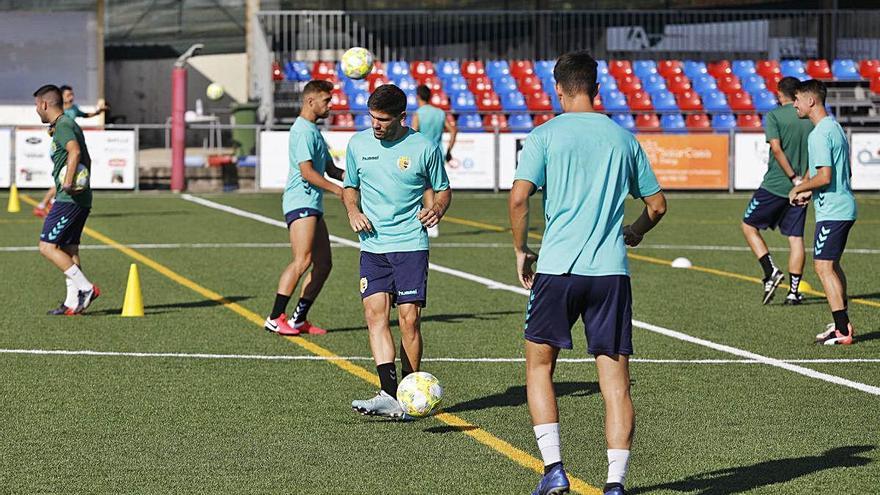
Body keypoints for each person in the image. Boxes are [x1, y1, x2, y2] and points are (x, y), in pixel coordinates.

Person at [508, 51, 666, 495]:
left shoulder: (545, 135)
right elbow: (657, 206)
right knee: (615, 383)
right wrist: (633, 231)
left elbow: (519, 199)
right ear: (597, 88)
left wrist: (522, 249)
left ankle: (554, 469)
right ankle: (614, 484)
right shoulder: (623, 139)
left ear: (558, 88)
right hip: (611, 272)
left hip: (557, 268)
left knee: (540, 368)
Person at [343, 84, 451, 419]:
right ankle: (388, 394)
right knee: (375, 316)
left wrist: (437, 209)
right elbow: (350, 187)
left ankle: (409, 393)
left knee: (409, 321)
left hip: (410, 246)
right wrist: (353, 211)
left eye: (383, 120)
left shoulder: (423, 147)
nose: (375, 125)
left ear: (402, 117)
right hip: (373, 246)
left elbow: (443, 190)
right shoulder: (358, 144)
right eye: (372, 117)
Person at [263, 80, 345, 336]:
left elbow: (331, 170)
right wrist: (338, 190)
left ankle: (299, 319)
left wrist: (358, 176)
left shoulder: (314, 131)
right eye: (326, 100)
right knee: (302, 260)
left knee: (324, 264)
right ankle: (275, 317)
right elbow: (307, 172)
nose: (330, 105)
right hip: (300, 201)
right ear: (311, 101)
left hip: (312, 203)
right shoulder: (302, 131)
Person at [789, 79, 857, 346]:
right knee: (833, 265)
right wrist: (810, 191)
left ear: (811, 101)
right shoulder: (834, 127)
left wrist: (799, 189)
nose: (794, 104)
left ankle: (842, 331)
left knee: (823, 266)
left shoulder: (818, 133)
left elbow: (825, 176)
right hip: (843, 205)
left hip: (833, 210)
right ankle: (843, 324)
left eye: (797, 99)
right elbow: (840, 173)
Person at [741, 76, 814, 305]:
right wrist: (804, 182)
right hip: (803, 187)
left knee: (748, 225)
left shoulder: (774, 116)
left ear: (780, 93)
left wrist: (792, 178)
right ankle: (793, 292)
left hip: (776, 184)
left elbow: (776, 148)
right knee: (796, 239)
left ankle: (770, 270)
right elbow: (818, 153)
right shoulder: (810, 117)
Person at [33, 84, 100, 315]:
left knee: (47, 247)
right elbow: (87, 159)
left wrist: (70, 183)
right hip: (78, 199)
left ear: (44, 104)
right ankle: (73, 302)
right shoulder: (64, 125)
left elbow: (75, 152)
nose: (36, 111)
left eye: (36, 106)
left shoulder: (63, 125)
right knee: (68, 248)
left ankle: (86, 288)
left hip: (67, 199)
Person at [33, 85, 108, 218]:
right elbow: (54, 128)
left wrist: (98, 112)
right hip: (62, 148)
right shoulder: (62, 116)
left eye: (72, 94)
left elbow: (84, 115)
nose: (71, 97)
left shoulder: (71, 112)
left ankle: (47, 203)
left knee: (66, 176)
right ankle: (47, 202)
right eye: (68, 95)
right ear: (61, 97)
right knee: (64, 176)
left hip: (70, 146)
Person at [411, 84, 457, 239]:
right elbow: (453, 130)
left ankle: (431, 223)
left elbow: (414, 133)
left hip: (422, 154)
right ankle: (433, 222)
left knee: (427, 189)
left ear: (418, 97)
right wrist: (449, 150)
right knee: (438, 187)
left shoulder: (418, 113)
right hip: (438, 153)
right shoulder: (439, 112)